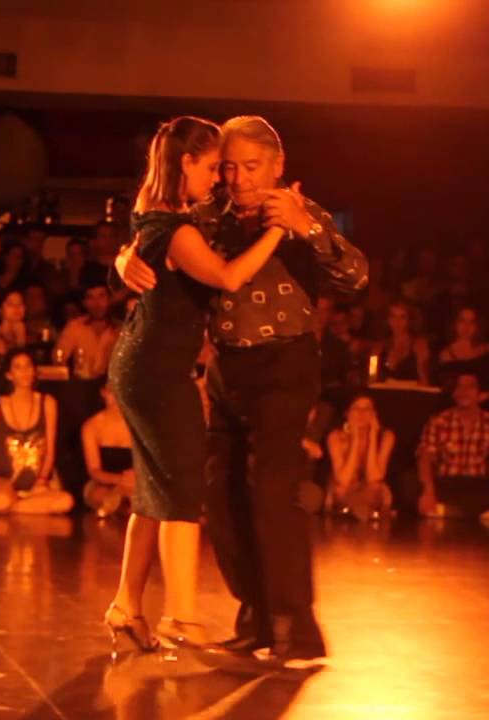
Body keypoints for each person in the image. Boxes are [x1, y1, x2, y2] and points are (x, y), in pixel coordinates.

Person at [113, 115, 368, 663]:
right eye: (228, 167)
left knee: (271, 492)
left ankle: (293, 623)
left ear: (277, 166)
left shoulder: (300, 212)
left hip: (285, 365)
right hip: (227, 369)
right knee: (219, 497)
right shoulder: (208, 213)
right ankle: (255, 615)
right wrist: (125, 257)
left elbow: (357, 276)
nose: (238, 178)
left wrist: (307, 229)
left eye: (251, 167)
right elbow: (156, 229)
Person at [103, 116, 289, 654]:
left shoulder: (155, 209)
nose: (217, 178)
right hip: (159, 372)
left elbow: (139, 248)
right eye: (210, 167)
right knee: (182, 491)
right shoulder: (178, 230)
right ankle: (181, 618)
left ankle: (126, 608)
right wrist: (279, 229)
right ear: (184, 163)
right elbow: (229, 277)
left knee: (153, 493)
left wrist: (122, 258)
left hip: (142, 363)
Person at [0, 349, 72, 515]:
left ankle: (1, 505)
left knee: (66, 501)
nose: (24, 372)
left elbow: (50, 450)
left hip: (35, 483)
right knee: (2, 501)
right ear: (9, 375)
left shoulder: (47, 403)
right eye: (18, 367)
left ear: (34, 371)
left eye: (28, 366)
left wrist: (42, 480)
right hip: (3, 481)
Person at [414, 371, 489, 522]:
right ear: (453, 393)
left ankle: (448, 511)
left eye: (470, 386)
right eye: (459, 386)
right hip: (446, 482)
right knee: (409, 485)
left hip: (479, 483)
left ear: (480, 393)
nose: (464, 391)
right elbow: (425, 456)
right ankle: (479, 513)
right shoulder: (438, 420)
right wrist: (428, 491)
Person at [326, 393, 395, 517]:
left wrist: (372, 436)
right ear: (346, 413)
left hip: (371, 492)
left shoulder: (386, 436)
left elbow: (374, 477)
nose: (361, 413)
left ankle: (360, 511)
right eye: (356, 408)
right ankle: (357, 511)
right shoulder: (335, 436)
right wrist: (355, 439)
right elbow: (343, 479)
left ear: (374, 413)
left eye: (367, 409)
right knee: (340, 489)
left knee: (376, 488)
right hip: (345, 491)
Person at [82, 381, 136, 518]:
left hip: (134, 482)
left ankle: (123, 506)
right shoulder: (92, 426)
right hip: (103, 484)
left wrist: (132, 480)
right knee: (99, 495)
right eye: (112, 391)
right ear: (104, 393)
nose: (116, 398)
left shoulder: (138, 425)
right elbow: (94, 471)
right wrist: (119, 480)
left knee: (137, 496)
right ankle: (120, 505)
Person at [54, 283, 119, 380]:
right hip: (81, 383)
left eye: (101, 296)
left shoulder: (121, 329)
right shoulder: (75, 327)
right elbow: (58, 357)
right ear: (84, 302)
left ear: (109, 299)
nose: (97, 304)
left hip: (111, 385)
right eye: (90, 297)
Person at [371, 300, 431, 385]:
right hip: (384, 392)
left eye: (402, 317)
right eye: (393, 316)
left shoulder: (418, 345)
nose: (397, 322)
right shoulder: (379, 347)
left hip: (411, 392)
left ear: (410, 319)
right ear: (387, 319)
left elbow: (425, 380)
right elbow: (371, 378)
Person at [435, 306, 489, 389]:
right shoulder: (445, 354)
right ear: (454, 323)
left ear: (478, 325)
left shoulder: (487, 349)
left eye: (472, 322)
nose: (467, 326)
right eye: (462, 321)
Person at [0, 289, 30, 365]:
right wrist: (20, 340)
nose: (16, 307)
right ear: (0, 309)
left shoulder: (25, 331)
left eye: (20, 303)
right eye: (10, 304)